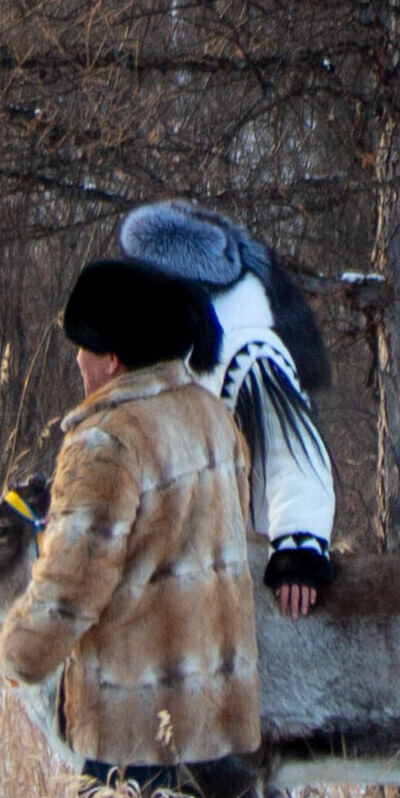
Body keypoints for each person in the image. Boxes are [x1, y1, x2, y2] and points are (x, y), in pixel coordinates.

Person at [0, 256, 333, 798]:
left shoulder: (105, 441)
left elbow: (70, 586)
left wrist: (19, 653)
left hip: (137, 725)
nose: (79, 363)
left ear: (113, 358)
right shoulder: (210, 417)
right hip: (217, 714)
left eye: (85, 348)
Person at [119, 203, 338, 610]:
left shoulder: (247, 351)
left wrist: (298, 550)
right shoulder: (166, 365)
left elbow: (292, 455)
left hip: (245, 586)